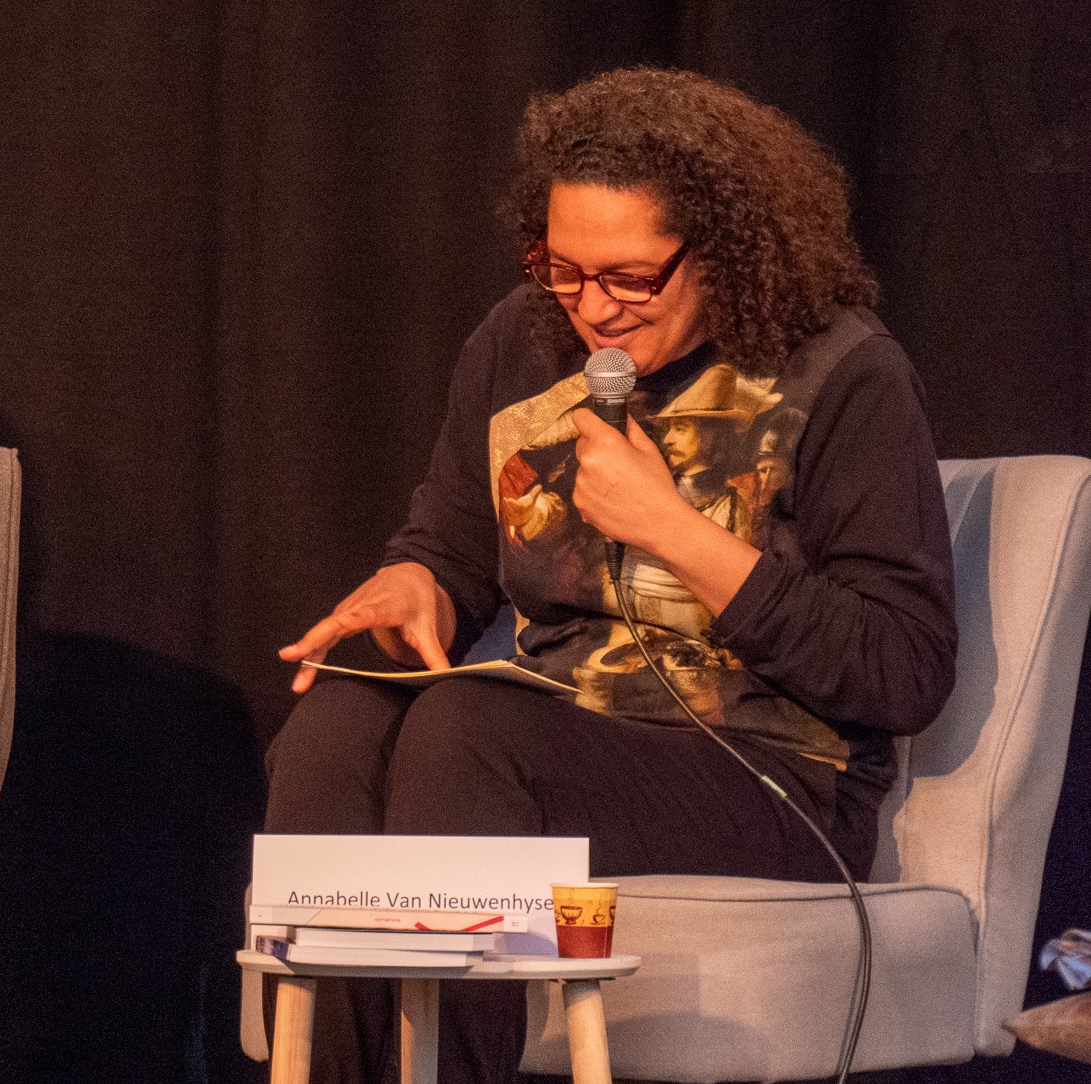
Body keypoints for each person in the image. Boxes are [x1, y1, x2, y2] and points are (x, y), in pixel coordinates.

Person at [270, 68, 957, 1084]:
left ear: (723, 252)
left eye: (630, 278)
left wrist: (676, 531)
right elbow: (452, 547)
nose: (592, 308)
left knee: (469, 734)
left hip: (767, 770)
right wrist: (412, 581)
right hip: (559, 723)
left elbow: (902, 666)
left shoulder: (843, 373)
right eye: (562, 267)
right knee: (338, 723)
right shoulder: (519, 339)